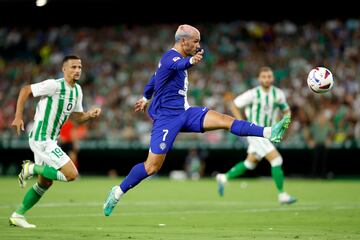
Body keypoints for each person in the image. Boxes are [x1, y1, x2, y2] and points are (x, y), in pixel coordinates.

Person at [103, 25, 291, 216]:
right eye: (195, 41)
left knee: (225, 120)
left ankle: (269, 132)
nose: (198, 45)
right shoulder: (171, 57)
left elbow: (155, 77)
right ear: (183, 41)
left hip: (185, 113)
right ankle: (117, 192)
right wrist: (192, 61)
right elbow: (178, 65)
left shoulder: (172, 60)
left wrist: (144, 97)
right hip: (167, 119)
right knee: (152, 167)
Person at [9, 55, 101, 228]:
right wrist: (18, 116)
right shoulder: (54, 85)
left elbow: (78, 118)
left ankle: (18, 215)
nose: (77, 70)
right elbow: (25, 90)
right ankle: (30, 168)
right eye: (73, 67)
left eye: (79, 67)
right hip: (41, 137)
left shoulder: (77, 91)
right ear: (64, 69)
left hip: (50, 139)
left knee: (45, 182)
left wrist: (89, 115)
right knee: (71, 174)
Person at [216, 66, 296, 204]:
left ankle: (223, 177)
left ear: (273, 78)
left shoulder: (278, 94)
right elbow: (233, 104)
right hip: (255, 132)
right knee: (277, 160)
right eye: (264, 77)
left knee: (250, 163)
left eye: (269, 76)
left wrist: (285, 122)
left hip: (268, 132)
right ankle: (282, 195)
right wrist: (241, 122)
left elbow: (286, 110)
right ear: (259, 79)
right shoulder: (252, 94)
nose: (267, 79)